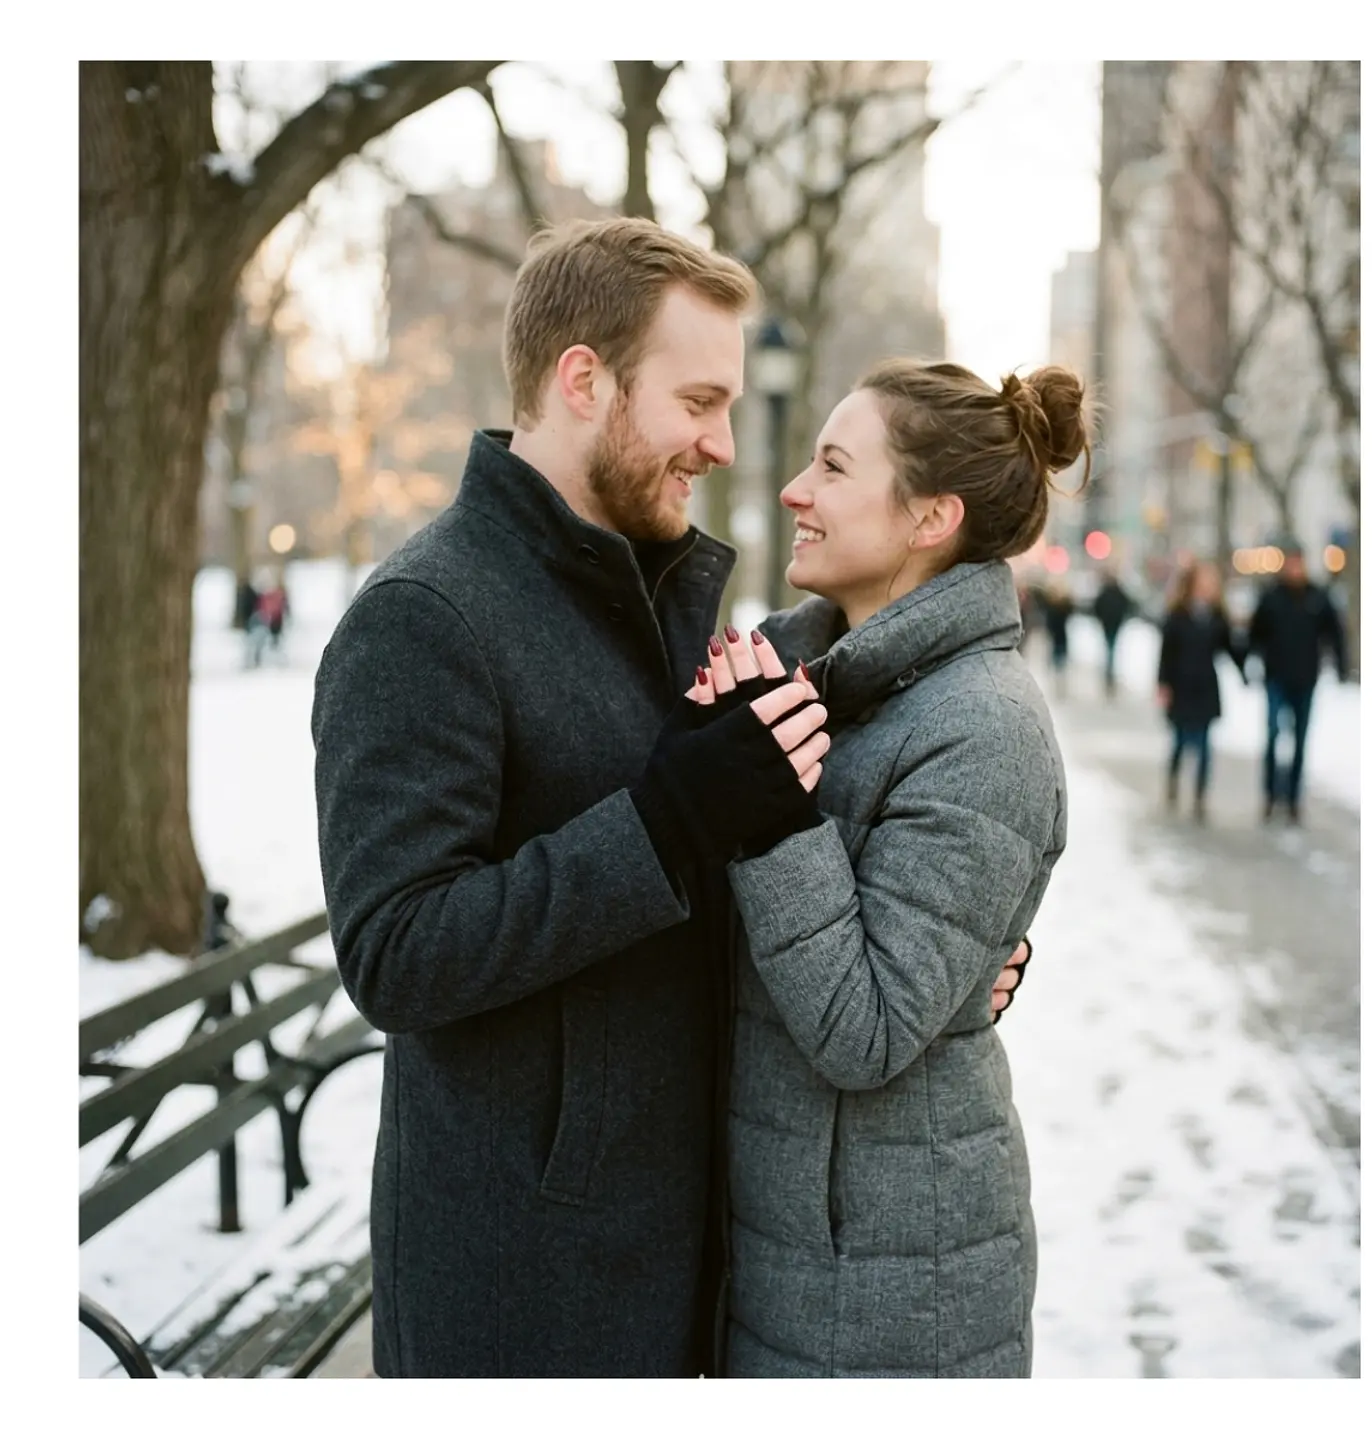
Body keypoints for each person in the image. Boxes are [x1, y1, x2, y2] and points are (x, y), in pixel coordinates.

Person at [310, 217, 1029, 1379]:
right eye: (698, 401)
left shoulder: (668, 597)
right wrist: (661, 821)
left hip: (694, 1250)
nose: (721, 443)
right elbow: (397, 953)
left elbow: (763, 861)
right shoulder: (423, 616)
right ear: (584, 382)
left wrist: (948, 940)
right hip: (528, 1288)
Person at [683, 361, 1085, 1378]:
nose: (791, 490)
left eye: (831, 466)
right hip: (790, 1253)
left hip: (891, 1295)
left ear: (929, 518)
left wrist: (765, 798)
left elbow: (863, 1031)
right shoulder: (807, 679)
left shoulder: (983, 727)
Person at [1243, 543, 1349, 823]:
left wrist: (1341, 666)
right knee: (1273, 735)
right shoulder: (1271, 597)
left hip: (1305, 678)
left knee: (1301, 740)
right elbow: (1255, 634)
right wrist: (1248, 662)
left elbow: (1334, 634)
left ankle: (1293, 797)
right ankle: (1269, 793)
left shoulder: (1317, 597)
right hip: (1276, 677)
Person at [1157, 559, 1246, 822]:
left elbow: (1230, 649)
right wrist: (1163, 684)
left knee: (1206, 745)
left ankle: (1200, 796)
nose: (1208, 586)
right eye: (1203, 581)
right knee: (1181, 741)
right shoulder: (1177, 615)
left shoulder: (1218, 616)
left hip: (1206, 687)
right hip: (1182, 686)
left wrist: (1245, 666)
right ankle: (1173, 780)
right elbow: (1166, 654)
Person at [1092, 565, 1136, 697]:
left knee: (1110, 649)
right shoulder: (1110, 591)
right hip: (1111, 624)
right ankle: (1109, 674)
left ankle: (1109, 674)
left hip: (1112, 624)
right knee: (1111, 649)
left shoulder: (1111, 591)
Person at [1042, 576, 1074, 694]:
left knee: (1060, 656)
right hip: (1057, 635)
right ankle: (1057, 677)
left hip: (1060, 635)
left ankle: (1059, 677)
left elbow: (1070, 610)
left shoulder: (1063, 604)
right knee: (1057, 656)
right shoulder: (1051, 604)